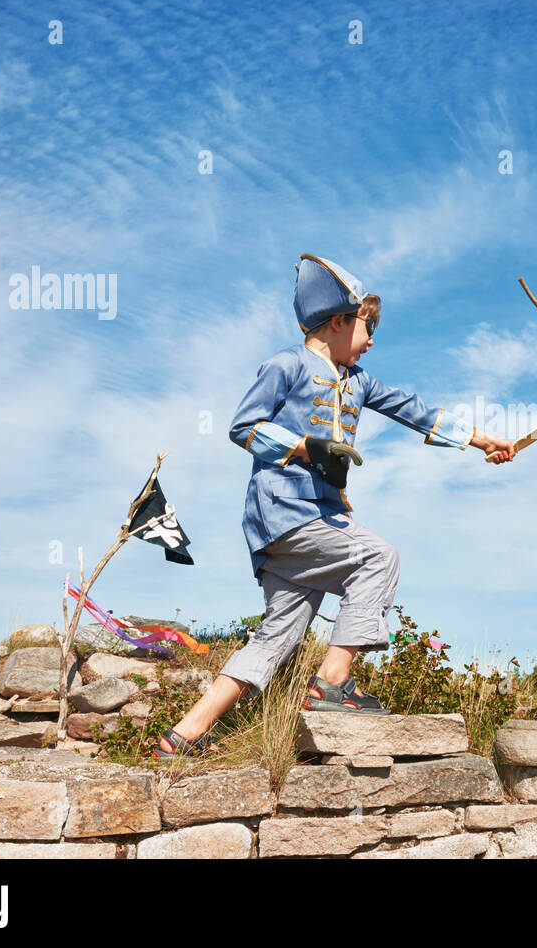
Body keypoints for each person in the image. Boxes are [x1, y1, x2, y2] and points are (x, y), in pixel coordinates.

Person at [155, 254, 515, 758]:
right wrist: (306, 447)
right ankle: (331, 683)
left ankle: (182, 737)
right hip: (286, 516)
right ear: (339, 321)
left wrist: (480, 440)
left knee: (274, 639)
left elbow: (415, 411)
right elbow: (243, 427)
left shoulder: (359, 381)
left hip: (311, 528)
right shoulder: (286, 364)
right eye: (367, 329)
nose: (371, 342)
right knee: (378, 556)